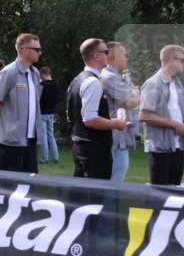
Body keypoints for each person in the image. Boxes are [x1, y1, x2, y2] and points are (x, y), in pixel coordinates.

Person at [67, 39, 128, 180]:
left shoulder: (77, 80)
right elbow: (89, 119)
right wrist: (116, 124)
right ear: (96, 56)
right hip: (94, 151)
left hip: (81, 146)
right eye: (106, 52)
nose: (109, 55)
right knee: (95, 197)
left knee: (81, 195)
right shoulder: (93, 82)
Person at [0, 33, 42, 173]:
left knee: (28, 189)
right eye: (36, 49)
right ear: (24, 49)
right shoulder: (8, 72)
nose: (40, 53)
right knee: (6, 189)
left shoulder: (35, 73)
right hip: (9, 142)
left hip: (30, 141)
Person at [139, 44, 184, 186]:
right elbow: (144, 115)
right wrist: (175, 125)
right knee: (158, 195)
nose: (183, 63)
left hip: (179, 147)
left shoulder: (177, 84)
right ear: (171, 59)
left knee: (174, 194)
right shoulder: (153, 84)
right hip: (160, 149)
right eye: (182, 60)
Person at [102, 41, 140, 182]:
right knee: (114, 185)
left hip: (118, 138)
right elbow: (130, 102)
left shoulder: (114, 76)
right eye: (125, 55)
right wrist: (136, 93)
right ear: (114, 56)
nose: (127, 58)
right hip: (115, 140)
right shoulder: (110, 77)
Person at [38, 67, 61, 164]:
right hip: (52, 113)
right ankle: (55, 157)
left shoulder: (42, 85)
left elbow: (38, 98)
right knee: (51, 135)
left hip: (42, 112)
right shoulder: (56, 85)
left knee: (43, 136)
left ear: (43, 75)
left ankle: (44, 158)